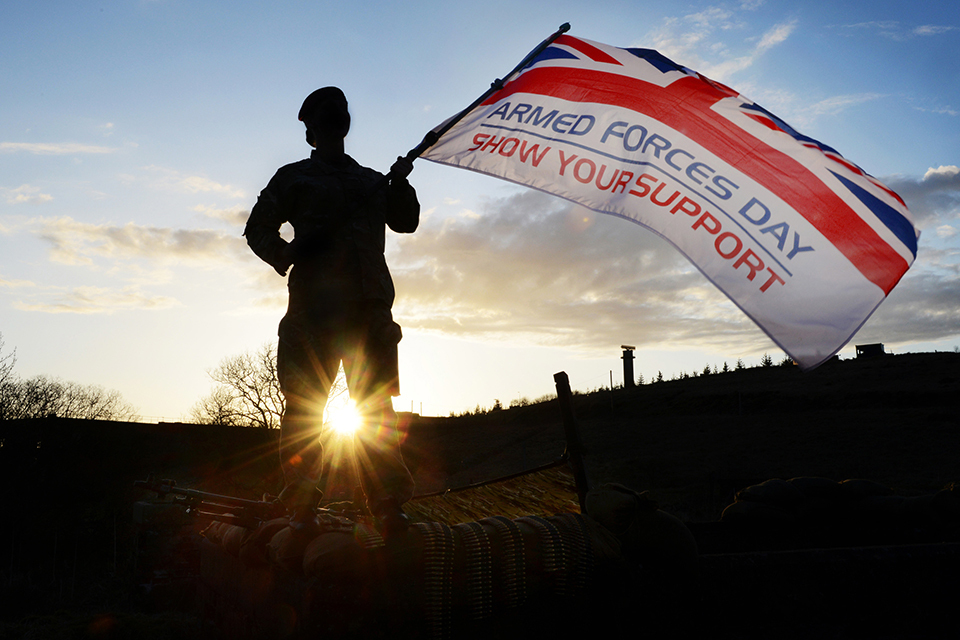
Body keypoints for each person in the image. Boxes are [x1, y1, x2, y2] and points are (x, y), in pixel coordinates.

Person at [244, 87, 418, 535]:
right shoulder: (293, 177)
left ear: (345, 123)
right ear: (311, 131)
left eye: (339, 113)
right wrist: (289, 253)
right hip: (314, 311)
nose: (333, 121)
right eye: (324, 116)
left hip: (369, 311)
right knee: (305, 408)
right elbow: (257, 229)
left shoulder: (372, 180)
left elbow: (406, 221)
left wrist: (401, 181)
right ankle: (302, 503)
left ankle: (386, 502)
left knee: (376, 410)